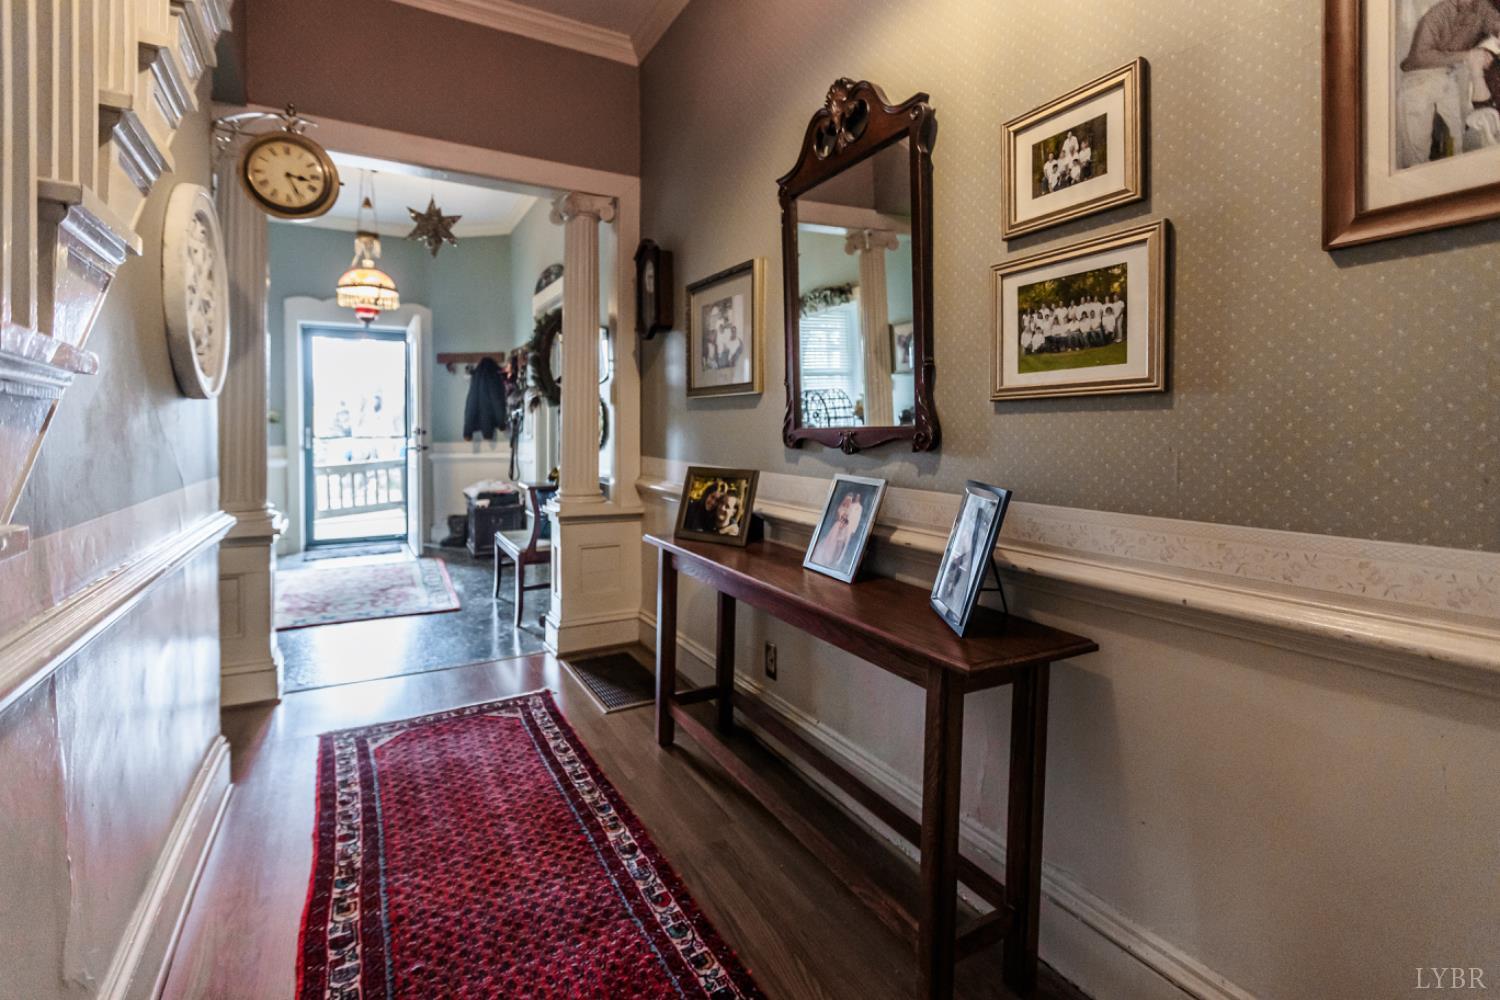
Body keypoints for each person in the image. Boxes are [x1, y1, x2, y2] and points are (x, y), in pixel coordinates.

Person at [1402, 0, 1500, 105]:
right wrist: (1467, 56)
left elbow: (1495, 21)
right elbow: (1419, 57)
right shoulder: (1436, 15)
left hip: (1455, 74)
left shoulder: (1480, 5)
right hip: (1422, 77)